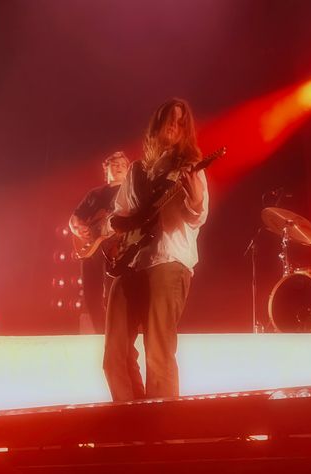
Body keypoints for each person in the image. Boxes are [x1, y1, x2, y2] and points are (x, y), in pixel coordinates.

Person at [103, 98, 208, 401]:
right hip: (132, 263)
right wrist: (120, 226)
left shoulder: (190, 168)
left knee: (158, 356)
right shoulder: (135, 171)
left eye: (180, 122)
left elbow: (197, 216)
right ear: (156, 125)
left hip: (168, 260)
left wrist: (197, 199)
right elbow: (118, 215)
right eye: (169, 120)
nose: (174, 126)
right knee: (114, 357)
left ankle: (163, 437)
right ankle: (131, 428)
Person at [69, 151, 129, 333]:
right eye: (114, 164)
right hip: (91, 250)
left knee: (114, 295)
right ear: (106, 169)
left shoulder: (130, 191)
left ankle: (117, 335)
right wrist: (79, 229)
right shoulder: (95, 194)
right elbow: (74, 218)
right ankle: (100, 334)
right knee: (91, 294)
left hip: (117, 249)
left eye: (122, 165)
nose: (118, 167)